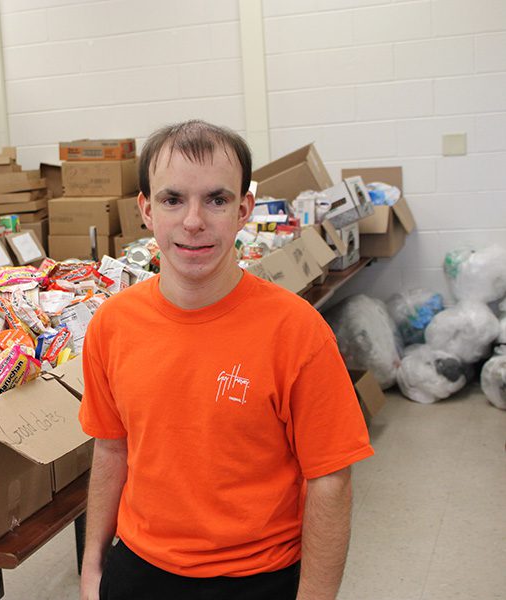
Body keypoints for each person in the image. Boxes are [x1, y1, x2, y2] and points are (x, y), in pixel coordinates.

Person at [78, 120, 374, 600]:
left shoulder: (297, 331)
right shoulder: (112, 325)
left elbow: (331, 479)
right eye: (173, 199)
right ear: (146, 209)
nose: (193, 221)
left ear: (244, 210)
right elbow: (112, 449)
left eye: (215, 200)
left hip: (259, 576)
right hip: (140, 569)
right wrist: (92, 568)